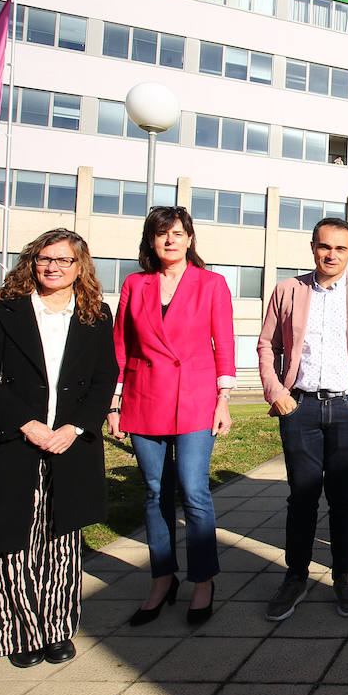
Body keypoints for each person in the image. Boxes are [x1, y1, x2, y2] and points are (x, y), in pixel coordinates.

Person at [0, 229, 118, 667]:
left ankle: (58, 630)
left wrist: (76, 427)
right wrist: (27, 425)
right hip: (14, 440)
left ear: (79, 267)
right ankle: (20, 633)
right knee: (15, 540)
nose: (53, 267)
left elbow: (105, 379)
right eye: (45, 258)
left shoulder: (96, 315)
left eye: (64, 261)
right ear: (32, 261)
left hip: (71, 444)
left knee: (62, 541)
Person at [257, 217, 348, 621]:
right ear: (312, 247)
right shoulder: (288, 290)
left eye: (340, 248)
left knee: (343, 497)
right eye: (324, 246)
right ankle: (295, 576)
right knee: (301, 496)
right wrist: (277, 393)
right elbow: (267, 345)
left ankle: (344, 576)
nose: (330, 254)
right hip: (299, 407)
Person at [109, 206, 236, 626]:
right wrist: (114, 403)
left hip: (196, 399)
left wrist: (223, 400)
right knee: (153, 493)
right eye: (162, 234)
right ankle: (162, 578)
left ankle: (203, 580)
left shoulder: (211, 283)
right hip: (144, 398)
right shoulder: (135, 284)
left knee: (194, 492)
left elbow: (225, 345)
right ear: (150, 240)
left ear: (189, 239)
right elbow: (120, 346)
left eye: (178, 233)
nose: (170, 241)